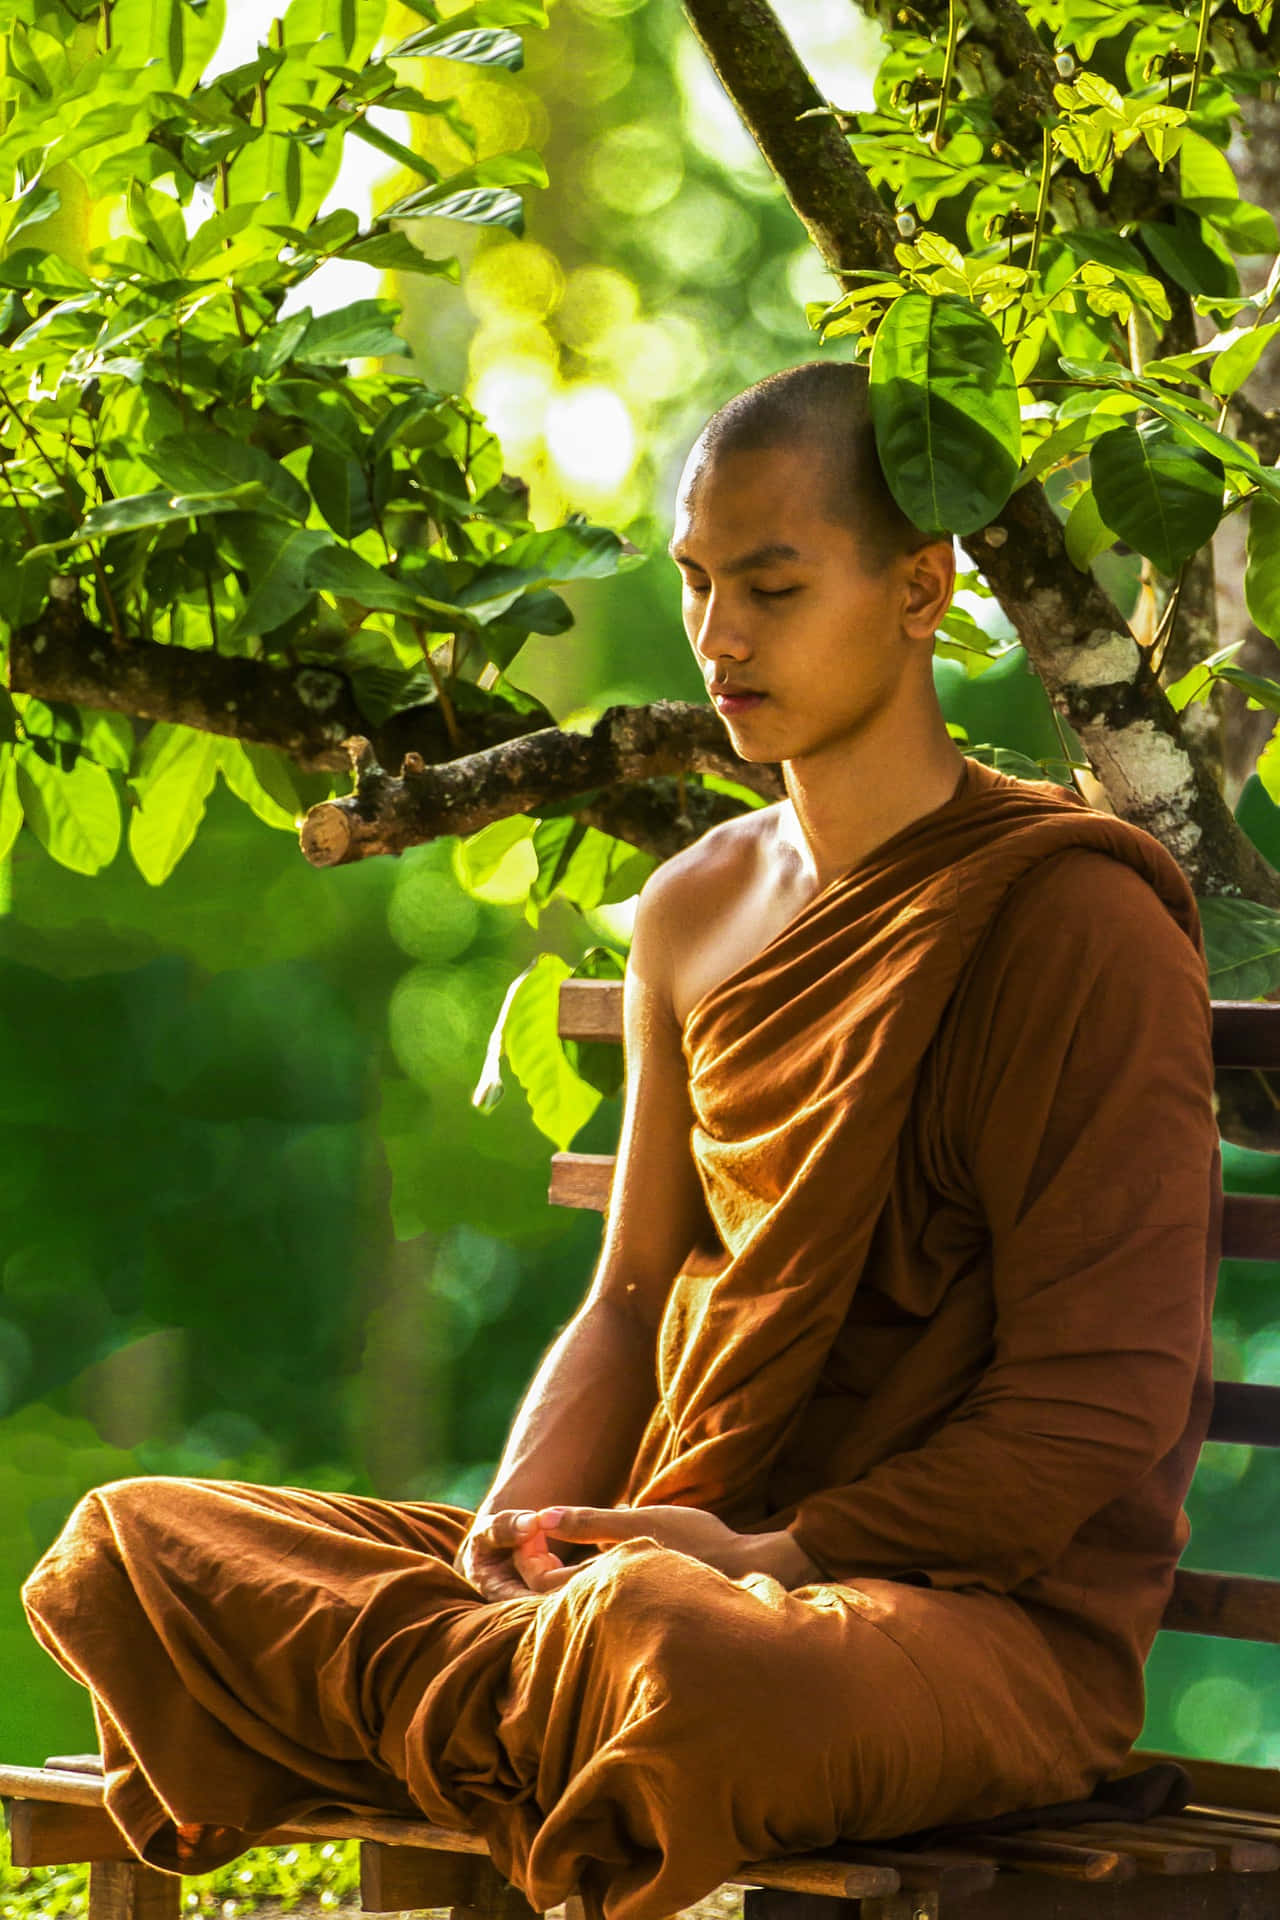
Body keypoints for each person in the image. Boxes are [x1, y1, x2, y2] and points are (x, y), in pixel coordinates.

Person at [23, 362, 1219, 1920]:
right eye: (699, 585)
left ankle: (518, 1690)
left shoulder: (1072, 914)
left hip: (949, 1626)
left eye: (773, 589)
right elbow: (633, 1293)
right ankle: (528, 1678)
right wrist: (502, 1554)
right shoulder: (696, 906)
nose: (719, 641)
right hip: (659, 1566)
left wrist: (768, 1557)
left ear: (921, 588)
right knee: (136, 1540)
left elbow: (1092, 1415)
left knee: (685, 1659)